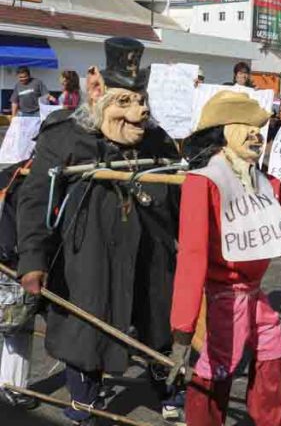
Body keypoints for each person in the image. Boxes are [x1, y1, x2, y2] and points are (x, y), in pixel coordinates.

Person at [16, 37, 181, 425]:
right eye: (125, 102)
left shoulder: (158, 141)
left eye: (141, 101)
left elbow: (181, 202)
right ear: (99, 97)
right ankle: (84, 403)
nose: (138, 112)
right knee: (85, 330)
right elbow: (36, 200)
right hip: (86, 258)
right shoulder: (65, 136)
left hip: (151, 252)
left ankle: (168, 386)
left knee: (159, 322)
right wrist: (33, 260)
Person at [167, 91, 281, 426]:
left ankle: (272, 420)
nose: (256, 133)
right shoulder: (203, 183)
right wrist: (182, 329)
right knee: (220, 361)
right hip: (223, 294)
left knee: (271, 347)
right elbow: (191, 257)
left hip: (254, 292)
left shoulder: (267, 183)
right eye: (245, 125)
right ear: (222, 132)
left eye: (258, 127)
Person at [0, 161, 39, 411]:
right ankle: (13, 386)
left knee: (14, 326)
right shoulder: (26, 179)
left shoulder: (11, 174)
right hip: (12, 261)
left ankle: (12, 385)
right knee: (17, 326)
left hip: (9, 256)